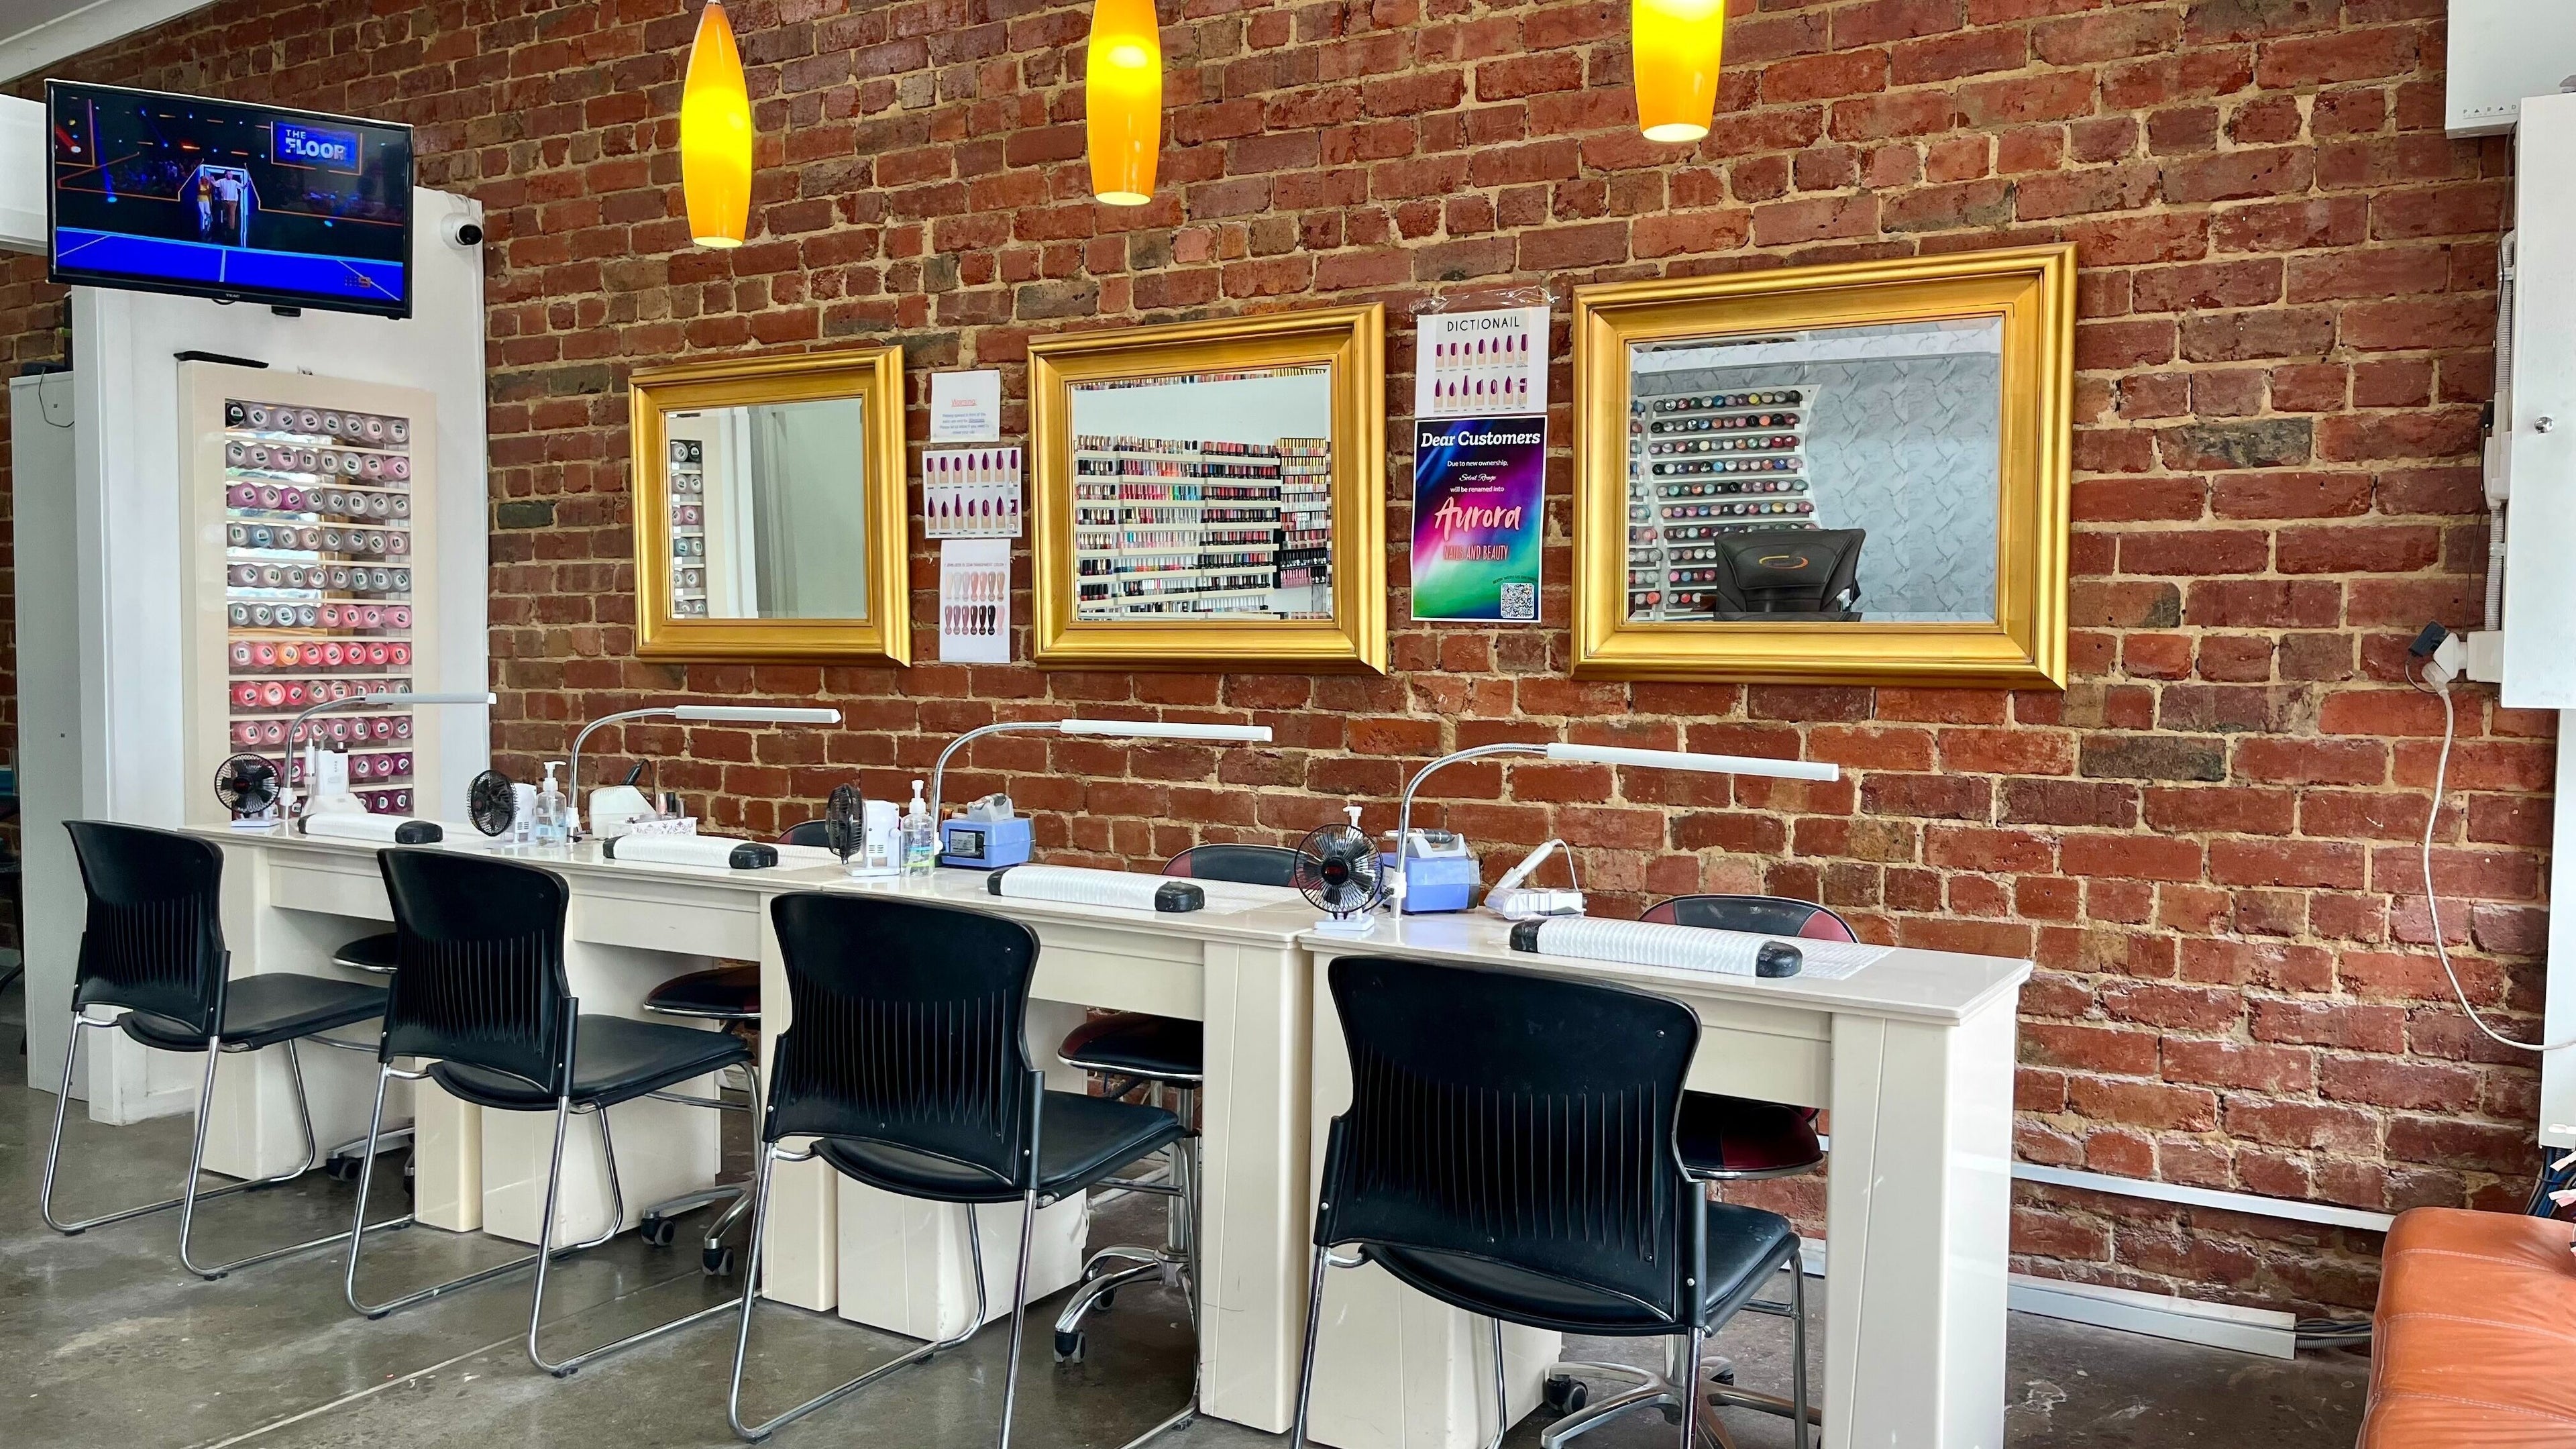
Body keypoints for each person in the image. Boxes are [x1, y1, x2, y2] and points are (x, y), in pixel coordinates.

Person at [211, 170, 244, 246]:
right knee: (226, 215)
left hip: (233, 202)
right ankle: (226, 227)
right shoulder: (221, 181)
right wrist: (212, 180)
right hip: (225, 201)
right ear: (226, 175)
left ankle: (232, 230)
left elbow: (242, 187)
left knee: (232, 215)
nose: (231, 175)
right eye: (229, 174)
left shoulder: (235, 182)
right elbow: (215, 185)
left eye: (231, 174)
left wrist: (246, 185)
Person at [193, 172, 213, 241]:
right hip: (200, 200)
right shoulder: (199, 185)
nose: (204, 180)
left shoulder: (208, 186)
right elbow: (198, 191)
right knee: (202, 213)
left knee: (208, 212)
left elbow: (209, 192)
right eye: (203, 179)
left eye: (205, 179)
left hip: (206, 200)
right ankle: (203, 227)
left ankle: (208, 224)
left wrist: (209, 180)